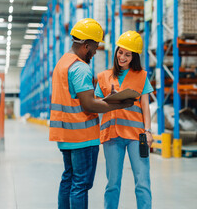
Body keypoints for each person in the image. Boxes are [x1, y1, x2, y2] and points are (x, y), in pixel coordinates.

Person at [49, 18, 134, 209]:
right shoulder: (80, 68)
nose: (95, 52)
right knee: (81, 184)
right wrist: (117, 104)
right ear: (86, 45)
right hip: (82, 137)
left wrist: (106, 99)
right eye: (95, 47)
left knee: (68, 180)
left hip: (65, 135)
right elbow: (89, 105)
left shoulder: (62, 63)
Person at [95, 31, 154, 209]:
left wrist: (148, 131)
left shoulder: (141, 76)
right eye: (120, 52)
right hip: (112, 135)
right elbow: (96, 103)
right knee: (112, 183)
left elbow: (145, 106)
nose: (122, 57)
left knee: (142, 182)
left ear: (133, 57)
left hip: (137, 136)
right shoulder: (104, 76)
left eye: (128, 55)